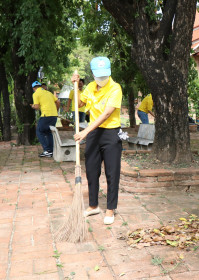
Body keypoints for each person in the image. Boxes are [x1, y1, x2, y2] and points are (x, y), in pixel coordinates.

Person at [72, 57, 123, 225]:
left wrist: (85, 131)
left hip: (110, 133)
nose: (102, 78)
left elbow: (106, 113)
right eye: (98, 75)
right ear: (93, 74)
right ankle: (93, 205)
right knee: (92, 170)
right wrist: (76, 87)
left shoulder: (115, 88)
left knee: (112, 172)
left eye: (104, 75)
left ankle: (110, 209)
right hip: (94, 134)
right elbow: (79, 103)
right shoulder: (90, 87)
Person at [31, 81, 60, 157]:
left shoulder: (35, 94)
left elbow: (37, 107)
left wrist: (33, 106)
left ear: (34, 88)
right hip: (54, 116)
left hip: (46, 115)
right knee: (48, 132)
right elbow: (58, 101)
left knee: (39, 131)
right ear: (40, 86)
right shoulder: (49, 93)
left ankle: (47, 150)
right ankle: (51, 151)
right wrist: (55, 111)